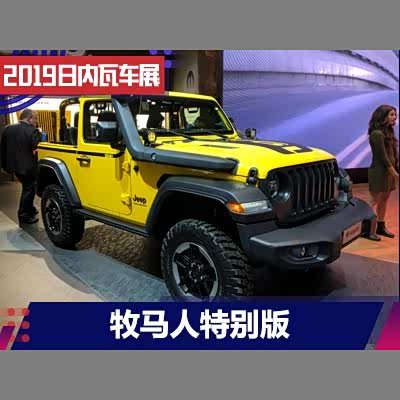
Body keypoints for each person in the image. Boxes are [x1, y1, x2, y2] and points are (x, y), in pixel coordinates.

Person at [0, 109, 41, 224]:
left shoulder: (7, 128)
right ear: (29, 118)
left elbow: (2, 149)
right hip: (27, 167)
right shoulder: (32, 131)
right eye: (35, 118)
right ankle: (23, 214)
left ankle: (30, 209)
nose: (36, 121)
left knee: (27, 186)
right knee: (29, 188)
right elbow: (37, 148)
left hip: (12, 165)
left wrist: (4, 165)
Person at [367, 104, 399, 240]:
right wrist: (394, 173)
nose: (395, 117)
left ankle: (380, 226)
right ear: (382, 116)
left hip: (388, 172)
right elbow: (382, 156)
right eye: (391, 114)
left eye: (395, 114)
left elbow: (392, 154)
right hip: (379, 172)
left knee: (384, 199)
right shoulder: (377, 134)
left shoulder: (388, 133)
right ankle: (367, 229)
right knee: (374, 199)